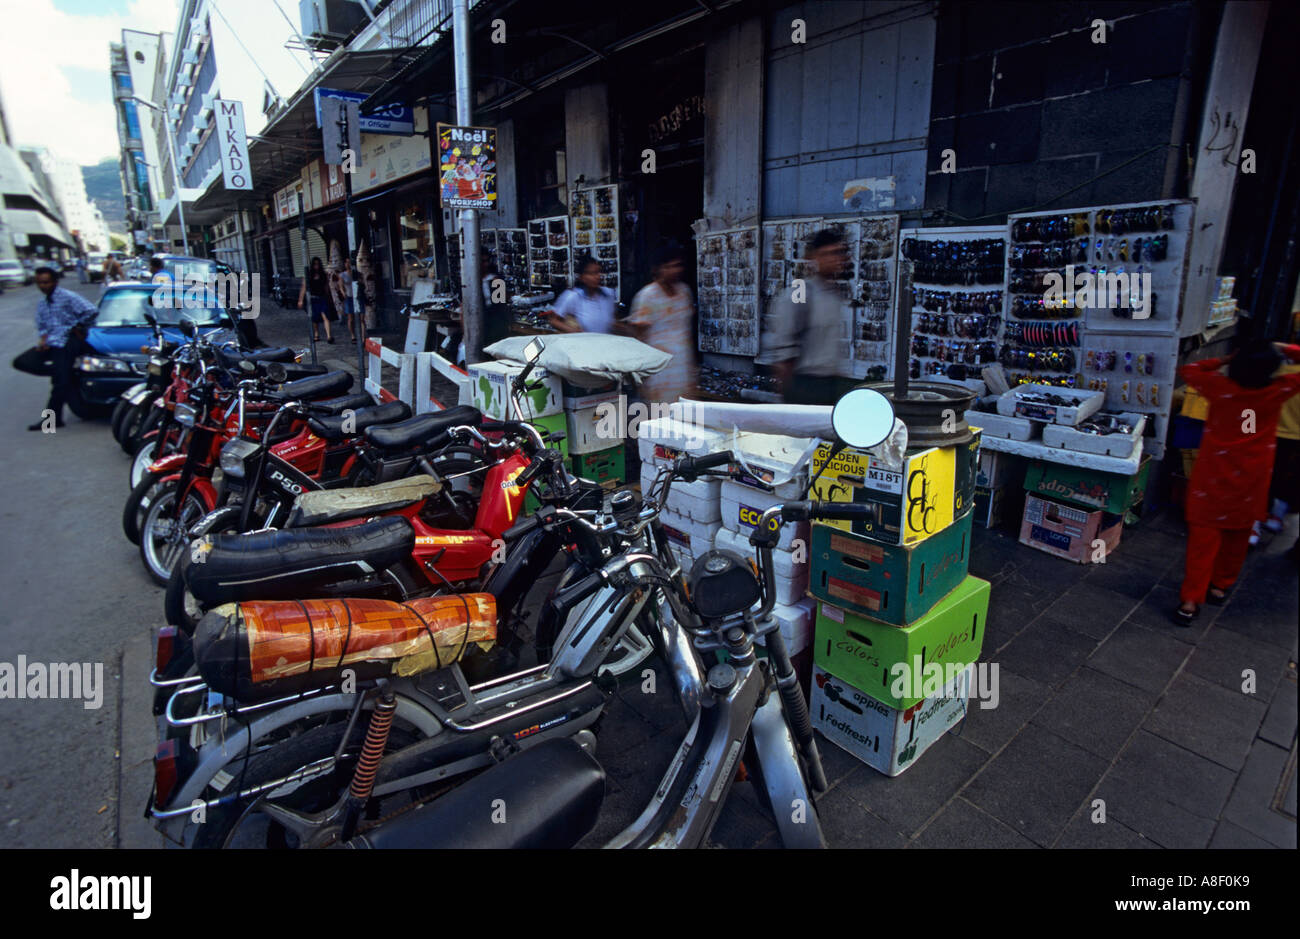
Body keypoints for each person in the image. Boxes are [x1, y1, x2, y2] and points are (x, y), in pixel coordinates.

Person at [1174, 339, 1300, 624]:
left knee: (1202, 544)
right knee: (1237, 536)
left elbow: (1190, 369)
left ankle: (1191, 601)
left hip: (1212, 479)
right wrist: (1285, 350)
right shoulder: (1277, 390)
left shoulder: (1219, 389)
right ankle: (1220, 586)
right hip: (1251, 481)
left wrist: (1225, 358)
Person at [758, 228, 851, 405]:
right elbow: (783, 347)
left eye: (839, 253)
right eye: (828, 253)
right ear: (813, 257)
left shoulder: (834, 294)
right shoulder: (800, 291)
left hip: (830, 385)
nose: (835, 259)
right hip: (805, 385)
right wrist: (789, 393)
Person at [11, 267, 98, 430]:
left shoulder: (67, 297)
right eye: (39, 283)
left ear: (55, 282)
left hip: (68, 341)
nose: (42, 286)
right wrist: (43, 340)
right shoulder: (43, 303)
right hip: (52, 342)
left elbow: (91, 310)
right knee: (22, 362)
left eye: (46, 282)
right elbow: (42, 325)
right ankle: (64, 372)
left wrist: (77, 326)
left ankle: (51, 420)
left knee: (59, 384)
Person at [627, 242, 697, 406]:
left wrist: (693, 371)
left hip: (682, 369)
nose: (675, 270)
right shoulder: (647, 296)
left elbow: (687, 334)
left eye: (678, 266)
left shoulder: (684, 292)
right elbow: (639, 339)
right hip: (658, 373)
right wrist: (641, 377)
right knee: (662, 423)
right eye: (670, 266)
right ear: (658, 269)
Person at [550, 255, 617, 334]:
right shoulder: (573, 296)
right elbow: (554, 320)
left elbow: (610, 322)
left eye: (598, 272)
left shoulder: (608, 294)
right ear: (582, 277)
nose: (597, 276)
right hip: (584, 344)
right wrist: (575, 332)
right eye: (592, 273)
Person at [297, 256, 335, 344]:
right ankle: (316, 334)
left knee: (326, 316)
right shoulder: (308, 276)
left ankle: (329, 336)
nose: (316, 266)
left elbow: (326, 287)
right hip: (313, 299)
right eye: (315, 264)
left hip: (322, 298)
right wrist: (300, 300)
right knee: (314, 318)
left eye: (318, 264)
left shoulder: (323, 275)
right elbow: (304, 288)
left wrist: (329, 297)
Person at [480, 260, 511, 352]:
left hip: (496, 322)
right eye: (483, 261)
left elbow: (502, 302)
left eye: (486, 261)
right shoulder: (473, 281)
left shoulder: (495, 279)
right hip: (482, 322)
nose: (485, 264)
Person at [332, 257, 357, 342]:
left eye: (349, 262)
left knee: (360, 317)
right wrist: (343, 293)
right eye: (346, 262)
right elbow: (340, 285)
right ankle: (353, 335)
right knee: (351, 317)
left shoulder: (356, 273)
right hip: (349, 297)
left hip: (356, 296)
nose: (348, 264)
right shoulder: (343, 275)